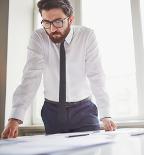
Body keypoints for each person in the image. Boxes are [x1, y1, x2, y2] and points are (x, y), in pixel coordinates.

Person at [1, 0, 116, 139]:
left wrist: (106, 114)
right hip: (52, 111)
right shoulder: (38, 38)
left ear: (71, 19)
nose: (52, 29)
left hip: (83, 110)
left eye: (58, 22)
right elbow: (30, 78)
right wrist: (15, 118)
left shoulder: (87, 36)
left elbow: (96, 76)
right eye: (46, 23)